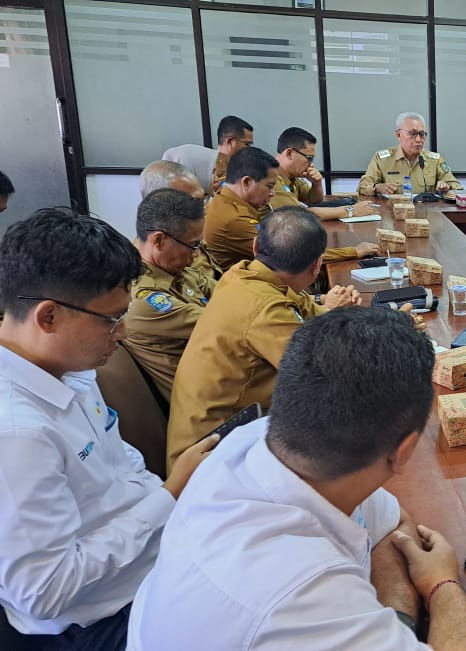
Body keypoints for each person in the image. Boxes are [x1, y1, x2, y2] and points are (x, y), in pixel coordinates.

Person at [128, 308, 466, 651]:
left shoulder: (255, 441)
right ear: (405, 450)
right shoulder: (298, 594)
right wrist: (441, 584)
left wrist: (397, 619)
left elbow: (392, 526)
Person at [0, 208, 216, 647]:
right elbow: (44, 591)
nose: (121, 334)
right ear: (48, 317)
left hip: (153, 555)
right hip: (101, 618)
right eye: (111, 319)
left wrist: (170, 503)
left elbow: (122, 463)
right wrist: (168, 496)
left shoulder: (70, 369)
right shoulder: (18, 432)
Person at [166, 206, 363, 470]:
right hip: (212, 456)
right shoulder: (265, 308)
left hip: (232, 431)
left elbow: (309, 315)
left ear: (256, 246)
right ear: (317, 266)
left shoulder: (244, 273)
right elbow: (323, 376)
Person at [203, 147, 377, 273]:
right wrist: (354, 251)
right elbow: (289, 253)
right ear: (246, 182)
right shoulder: (233, 218)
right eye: (269, 186)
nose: (272, 194)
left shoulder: (237, 202)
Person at [122, 188, 216, 402]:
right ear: (159, 240)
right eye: (193, 245)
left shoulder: (174, 267)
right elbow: (228, 326)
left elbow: (229, 294)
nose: (197, 254)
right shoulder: (144, 298)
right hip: (204, 404)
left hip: (220, 381)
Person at [270, 127, 377, 220]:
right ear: (289, 153)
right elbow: (300, 215)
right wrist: (350, 210)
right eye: (309, 158)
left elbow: (314, 201)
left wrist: (316, 183)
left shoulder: (292, 176)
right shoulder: (271, 177)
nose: (311, 164)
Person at [358, 112, 464, 197]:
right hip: (392, 213)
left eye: (422, 134)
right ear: (399, 135)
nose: (418, 140)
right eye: (412, 134)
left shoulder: (435, 160)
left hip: (427, 214)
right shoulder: (382, 159)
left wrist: (447, 186)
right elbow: (362, 188)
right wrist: (377, 187)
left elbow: (458, 187)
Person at [209, 115, 254, 194]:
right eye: (247, 144)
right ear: (230, 141)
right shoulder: (219, 170)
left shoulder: (235, 165)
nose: (249, 149)